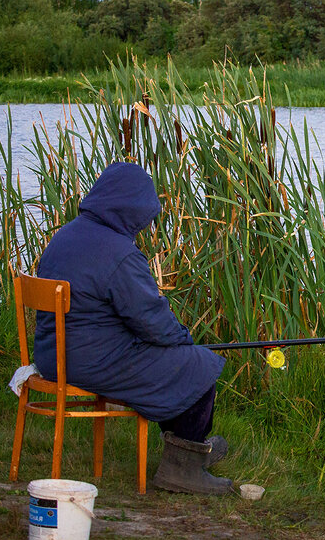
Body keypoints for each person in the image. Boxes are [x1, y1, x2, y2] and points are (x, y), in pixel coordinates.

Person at [34, 161, 232, 494]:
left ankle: (188, 453)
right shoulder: (118, 252)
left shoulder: (65, 235)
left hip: (53, 354)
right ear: (129, 208)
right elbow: (152, 321)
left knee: (177, 361)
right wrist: (183, 341)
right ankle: (182, 468)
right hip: (89, 360)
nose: (144, 225)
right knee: (200, 366)